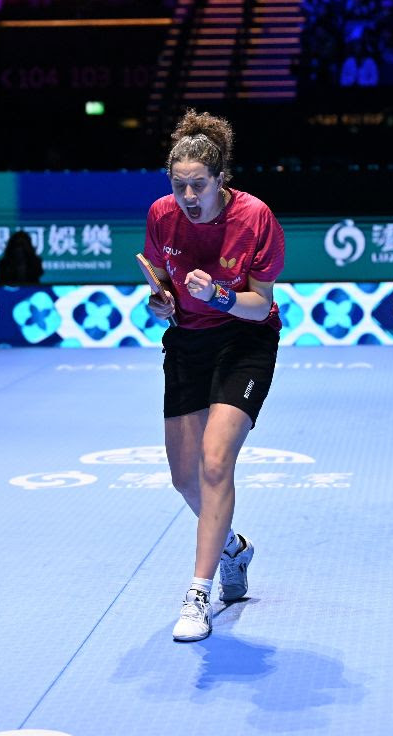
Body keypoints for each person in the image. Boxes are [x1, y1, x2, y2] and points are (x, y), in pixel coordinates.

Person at [140, 109, 286, 642]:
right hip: (187, 343)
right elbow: (161, 287)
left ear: (221, 178)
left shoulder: (255, 217)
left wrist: (220, 295)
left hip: (244, 340)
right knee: (184, 478)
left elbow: (260, 303)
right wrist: (161, 303)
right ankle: (233, 548)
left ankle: (198, 594)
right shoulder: (161, 215)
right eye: (178, 185)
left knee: (215, 461)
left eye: (198, 184)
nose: (187, 196)